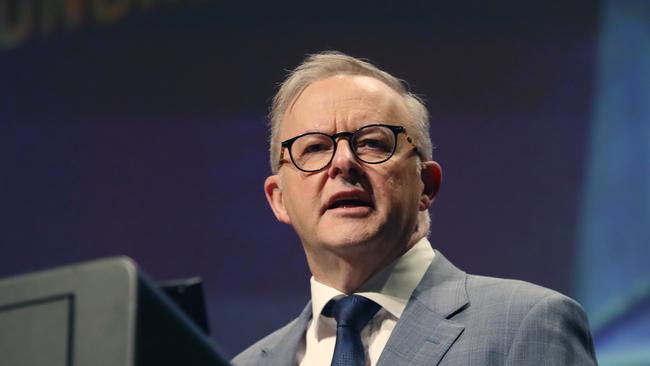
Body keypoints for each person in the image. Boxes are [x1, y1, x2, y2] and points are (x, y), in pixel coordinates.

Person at [232, 51, 597, 366]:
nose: (343, 163)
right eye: (313, 148)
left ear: (426, 185)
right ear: (279, 199)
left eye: (373, 143)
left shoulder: (527, 325)